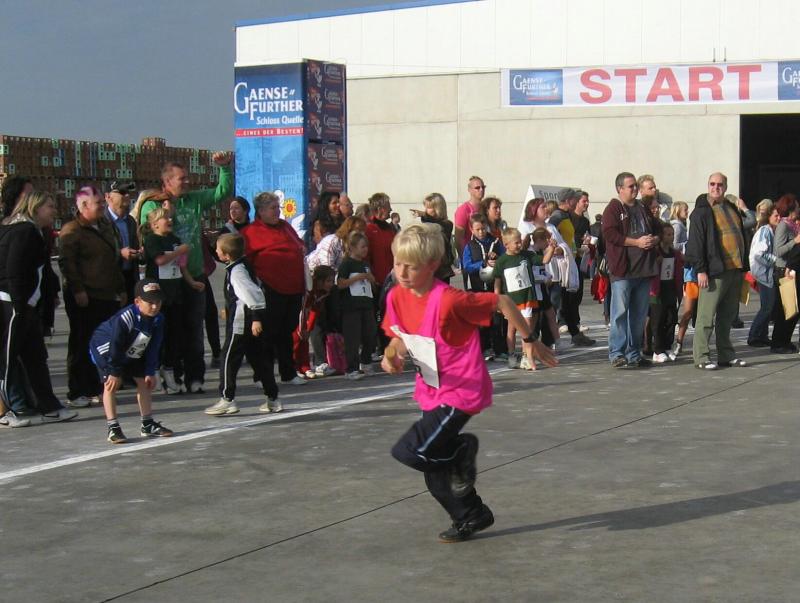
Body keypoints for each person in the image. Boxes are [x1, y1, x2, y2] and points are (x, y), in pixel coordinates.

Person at [381, 223, 557, 543]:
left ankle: (463, 450)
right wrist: (391, 354)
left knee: (411, 450)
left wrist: (532, 340)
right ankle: (471, 515)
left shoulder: (449, 300)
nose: (402, 273)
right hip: (432, 389)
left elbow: (502, 302)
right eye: (397, 263)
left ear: (432, 265)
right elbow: (399, 337)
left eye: (411, 266)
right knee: (434, 473)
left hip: (461, 390)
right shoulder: (396, 297)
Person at [138, 152, 233, 393]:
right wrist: (168, 213)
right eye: (182, 178)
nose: (187, 182)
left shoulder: (193, 200)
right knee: (171, 330)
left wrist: (224, 168)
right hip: (168, 280)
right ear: (167, 181)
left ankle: (195, 377)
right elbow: (149, 232)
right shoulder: (153, 203)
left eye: (187, 177)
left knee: (194, 327)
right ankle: (173, 375)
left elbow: (222, 192)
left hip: (194, 274)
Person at [0, 191, 78, 427]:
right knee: (8, 358)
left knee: (35, 357)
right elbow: (13, 269)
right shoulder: (23, 231)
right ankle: (9, 411)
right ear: (35, 208)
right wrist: (19, 304)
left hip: (27, 306)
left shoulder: (32, 231)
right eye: (50, 206)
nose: (54, 211)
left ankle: (49, 406)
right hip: (13, 304)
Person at [59, 186, 126, 406]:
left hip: (106, 293)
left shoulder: (105, 226)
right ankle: (78, 390)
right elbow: (67, 263)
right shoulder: (72, 230)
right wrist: (78, 290)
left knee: (101, 341)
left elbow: (113, 259)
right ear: (83, 206)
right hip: (86, 294)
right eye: (97, 203)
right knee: (81, 342)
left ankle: (96, 385)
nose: (102, 206)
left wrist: (121, 288)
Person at [89, 279, 173, 443]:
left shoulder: (158, 319)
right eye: (150, 303)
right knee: (111, 384)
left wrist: (150, 371)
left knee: (143, 382)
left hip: (132, 345)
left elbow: (154, 346)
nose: (155, 307)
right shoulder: (125, 318)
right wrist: (114, 372)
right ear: (137, 302)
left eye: (158, 302)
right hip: (105, 347)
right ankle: (113, 427)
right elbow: (115, 345)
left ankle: (147, 424)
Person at [204, 233, 280, 416]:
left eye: (218, 249)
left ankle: (227, 399)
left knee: (228, 359)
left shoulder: (237, 271)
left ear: (227, 255)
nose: (215, 252)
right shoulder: (242, 265)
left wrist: (256, 317)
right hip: (245, 319)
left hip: (241, 323)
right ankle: (273, 398)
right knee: (259, 360)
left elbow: (253, 294)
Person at [242, 191, 307, 385]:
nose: (277, 211)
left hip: (293, 289)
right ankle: (263, 375)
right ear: (261, 211)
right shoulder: (250, 232)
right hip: (269, 289)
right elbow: (245, 263)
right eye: (273, 208)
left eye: (278, 207)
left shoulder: (285, 226)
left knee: (287, 332)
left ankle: (288, 373)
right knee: (267, 336)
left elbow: (299, 244)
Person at [685, 173, 749, 369]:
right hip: (714, 271)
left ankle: (726, 355)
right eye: (712, 184)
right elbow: (696, 243)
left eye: (720, 184)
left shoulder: (731, 208)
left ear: (726, 187)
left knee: (727, 317)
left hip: (734, 269)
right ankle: (701, 357)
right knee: (706, 316)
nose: (716, 187)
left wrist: (743, 267)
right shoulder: (701, 211)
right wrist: (701, 270)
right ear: (708, 186)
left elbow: (743, 232)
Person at [143, 207, 204, 393]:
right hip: (158, 294)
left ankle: (169, 370)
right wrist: (179, 252)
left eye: (170, 218)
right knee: (157, 334)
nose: (169, 221)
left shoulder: (175, 240)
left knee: (174, 334)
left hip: (175, 294)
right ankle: (154, 370)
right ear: (155, 224)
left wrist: (192, 282)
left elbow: (182, 266)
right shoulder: (152, 240)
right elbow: (160, 260)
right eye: (165, 218)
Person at [602, 172, 660, 369]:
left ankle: (634, 353)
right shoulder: (614, 208)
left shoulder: (642, 207)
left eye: (635, 185)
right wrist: (637, 242)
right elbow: (610, 234)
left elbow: (658, 228)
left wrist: (654, 239)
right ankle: (617, 353)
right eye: (630, 186)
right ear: (620, 189)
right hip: (623, 271)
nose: (634, 189)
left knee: (639, 315)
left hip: (644, 270)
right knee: (620, 313)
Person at [493, 227, 547, 369]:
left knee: (527, 328)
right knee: (511, 328)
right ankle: (511, 355)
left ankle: (526, 356)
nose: (519, 245)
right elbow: (497, 282)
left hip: (527, 298)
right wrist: (497, 300)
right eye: (516, 243)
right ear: (506, 245)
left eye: (520, 242)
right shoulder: (501, 261)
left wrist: (552, 248)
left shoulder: (526, 255)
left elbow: (544, 260)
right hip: (511, 301)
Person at [462, 213, 506, 360]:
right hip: (477, 288)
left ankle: (500, 349)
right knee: (481, 320)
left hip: (495, 287)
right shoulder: (469, 246)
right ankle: (485, 348)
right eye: (478, 229)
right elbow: (467, 266)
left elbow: (505, 258)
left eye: (483, 228)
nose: (481, 232)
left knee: (498, 319)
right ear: (471, 229)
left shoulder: (496, 242)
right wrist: (483, 263)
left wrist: (497, 259)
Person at [338, 232, 378, 380]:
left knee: (370, 334)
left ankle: (365, 361)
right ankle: (351, 368)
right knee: (353, 338)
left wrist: (371, 279)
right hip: (351, 305)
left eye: (366, 246)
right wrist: (358, 277)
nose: (365, 249)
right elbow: (340, 284)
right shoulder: (347, 263)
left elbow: (371, 283)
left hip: (366, 303)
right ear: (352, 248)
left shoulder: (365, 264)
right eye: (362, 246)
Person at [768, 194, 800, 353]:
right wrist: (795, 241)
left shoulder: (793, 225)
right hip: (783, 271)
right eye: (797, 205)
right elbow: (778, 250)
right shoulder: (784, 226)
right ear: (791, 207)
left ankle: (786, 341)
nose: (799, 207)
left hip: (793, 270)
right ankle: (778, 343)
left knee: (792, 310)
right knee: (785, 310)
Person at [747, 201, 780, 347]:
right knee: (767, 306)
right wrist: (776, 261)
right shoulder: (765, 231)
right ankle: (754, 335)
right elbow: (759, 253)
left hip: (765, 273)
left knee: (766, 305)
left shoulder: (771, 230)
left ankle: (762, 335)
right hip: (763, 274)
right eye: (776, 215)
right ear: (769, 216)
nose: (779, 218)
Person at [294, 265, 337, 379]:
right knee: (296, 339)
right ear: (319, 281)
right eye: (328, 281)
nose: (331, 284)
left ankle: (305, 367)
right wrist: (302, 328)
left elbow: (315, 310)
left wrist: (309, 329)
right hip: (296, 313)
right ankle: (295, 368)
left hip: (306, 313)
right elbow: (303, 309)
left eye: (332, 281)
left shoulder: (323, 292)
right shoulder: (309, 289)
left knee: (304, 340)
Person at [649, 223, 683, 363]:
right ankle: (657, 350)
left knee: (671, 319)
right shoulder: (655, 253)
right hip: (657, 290)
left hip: (671, 288)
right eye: (668, 234)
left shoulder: (675, 253)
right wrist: (656, 263)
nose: (671, 237)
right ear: (661, 236)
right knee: (658, 320)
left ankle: (667, 346)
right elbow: (648, 268)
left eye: (672, 234)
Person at [105, 181, 141, 303]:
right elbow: (97, 252)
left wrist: (140, 252)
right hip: (111, 278)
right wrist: (120, 253)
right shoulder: (102, 222)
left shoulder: (130, 221)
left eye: (127, 192)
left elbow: (135, 245)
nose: (127, 195)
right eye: (122, 192)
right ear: (108, 197)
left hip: (130, 277)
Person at [411, 193, 455, 283]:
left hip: (442, 270)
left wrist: (424, 215)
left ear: (438, 208)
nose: (426, 210)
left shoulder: (447, 224)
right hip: (427, 268)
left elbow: (437, 226)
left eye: (429, 207)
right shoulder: (426, 223)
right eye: (426, 207)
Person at [453, 176, 486, 253]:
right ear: (470, 190)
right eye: (477, 188)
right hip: (470, 253)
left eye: (483, 187)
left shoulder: (486, 207)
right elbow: (458, 239)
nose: (481, 190)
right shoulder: (463, 210)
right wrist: (464, 257)